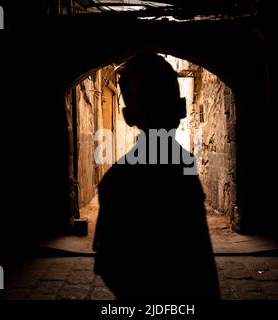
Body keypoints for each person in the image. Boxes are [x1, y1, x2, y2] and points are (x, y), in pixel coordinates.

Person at [93, 52, 220, 299]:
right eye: (147, 98)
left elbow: (200, 257)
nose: (157, 106)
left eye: (163, 96)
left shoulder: (179, 167)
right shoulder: (120, 182)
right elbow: (112, 264)